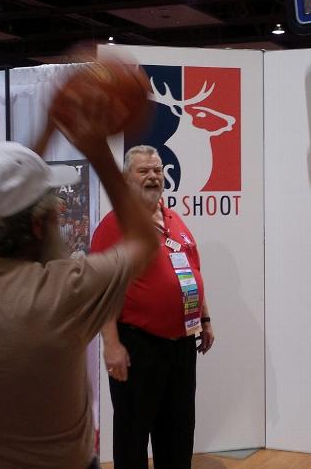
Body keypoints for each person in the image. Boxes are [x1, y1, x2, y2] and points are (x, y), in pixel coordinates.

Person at [0, 133, 157, 466]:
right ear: (37, 226)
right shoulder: (63, 292)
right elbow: (146, 241)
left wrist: (18, 166)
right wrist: (98, 151)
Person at [92, 145, 215, 469]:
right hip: (137, 346)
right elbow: (101, 290)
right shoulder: (114, 225)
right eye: (143, 171)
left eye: (157, 170)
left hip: (182, 347)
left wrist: (204, 318)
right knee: (133, 437)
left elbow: (192, 272)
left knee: (177, 433)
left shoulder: (175, 220)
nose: (152, 177)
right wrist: (112, 345)